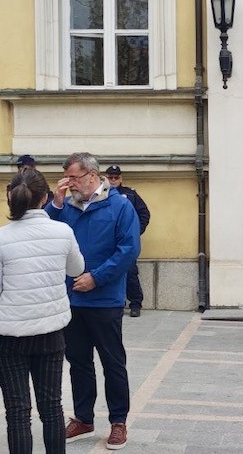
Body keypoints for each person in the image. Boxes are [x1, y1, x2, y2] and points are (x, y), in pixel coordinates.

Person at [0, 169, 85, 453]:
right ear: (45, 198)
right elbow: (77, 269)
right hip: (51, 332)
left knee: (18, 412)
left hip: (10, 336)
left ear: (10, 197)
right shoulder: (63, 231)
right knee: (52, 408)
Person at [45, 152, 140, 450]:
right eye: (67, 178)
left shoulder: (120, 206)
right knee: (78, 362)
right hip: (72, 299)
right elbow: (47, 234)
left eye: (73, 178)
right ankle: (84, 417)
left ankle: (118, 422)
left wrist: (96, 277)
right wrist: (56, 204)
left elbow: (128, 250)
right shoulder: (67, 206)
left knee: (113, 363)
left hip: (105, 299)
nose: (68, 183)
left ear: (92, 176)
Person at [105, 165, 151, 317]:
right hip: (107, 241)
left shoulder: (130, 194)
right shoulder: (100, 195)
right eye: (110, 177)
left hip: (125, 241)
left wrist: (135, 232)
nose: (113, 181)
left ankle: (135, 303)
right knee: (108, 271)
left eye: (116, 177)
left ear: (121, 178)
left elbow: (144, 213)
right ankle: (116, 302)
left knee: (130, 271)